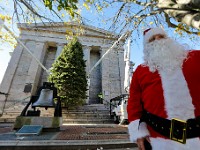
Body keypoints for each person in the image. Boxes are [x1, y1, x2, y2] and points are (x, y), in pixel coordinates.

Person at [127, 27, 200, 150]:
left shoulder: (195, 57)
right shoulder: (140, 71)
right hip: (159, 137)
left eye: (161, 37)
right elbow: (134, 103)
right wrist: (138, 132)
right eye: (152, 39)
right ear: (147, 47)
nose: (158, 40)